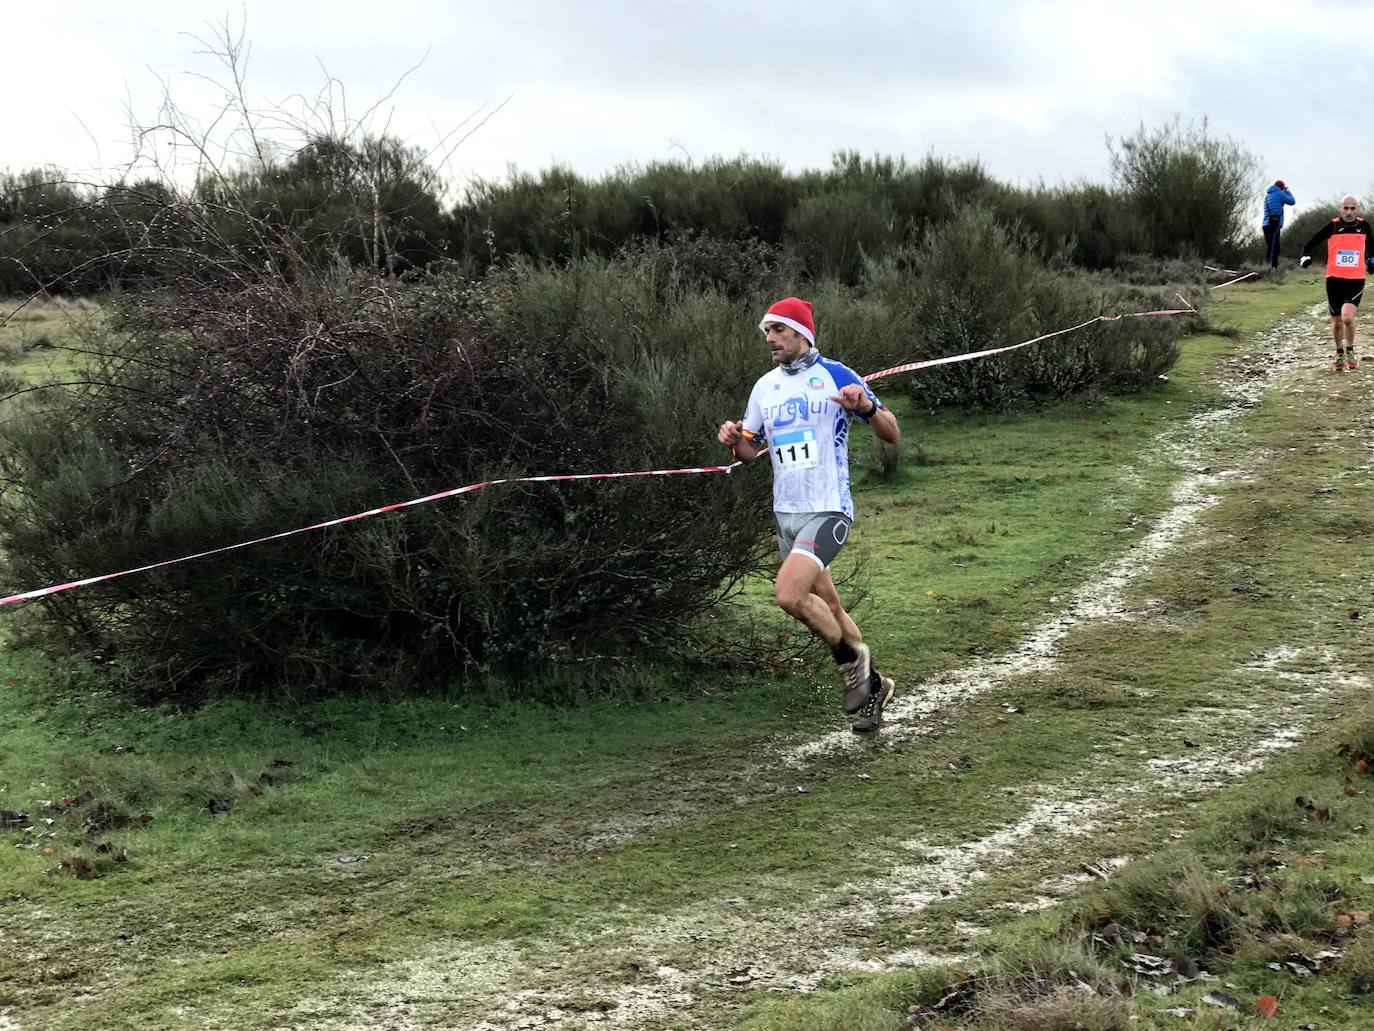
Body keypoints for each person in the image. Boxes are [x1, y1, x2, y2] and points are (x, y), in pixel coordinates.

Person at [717, 297, 902, 733]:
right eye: (766, 332)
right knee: (828, 605)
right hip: (787, 513)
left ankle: (851, 665)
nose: (769, 339)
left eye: (777, 330)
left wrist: (866, 408)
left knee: (789, 595)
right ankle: (874, 687)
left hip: (828, 508)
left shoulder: (835, 375)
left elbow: (891, 433)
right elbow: (748, 452)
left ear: (801, 333)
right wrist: (732, 439)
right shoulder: (765, 387)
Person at [1300, 195, 1374, 371]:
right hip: (1334, 278)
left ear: (1357, 209)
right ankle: (1339, 352)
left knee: (1348, 318)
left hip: (1355, 278)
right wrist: (1306, 256)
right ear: (1340, 209)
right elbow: (1310, 243)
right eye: (1345, 208)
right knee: (1337, 321)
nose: (1349, 212)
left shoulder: (1364, 226)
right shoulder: (1333, 225)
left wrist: (1372, 260)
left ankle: (1350, 349)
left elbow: (1371, 247)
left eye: (1352, 208)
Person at [1261, 179, 1296, 268]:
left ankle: (1267, 266)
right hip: (1274, 225)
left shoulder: (1267, 196)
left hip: (1265, 225)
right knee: (1275, 248)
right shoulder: (1280, 194)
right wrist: (1287, 191)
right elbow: (1292, 201)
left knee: (1270, 247)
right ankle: (1273, 268)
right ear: (1281, 187)